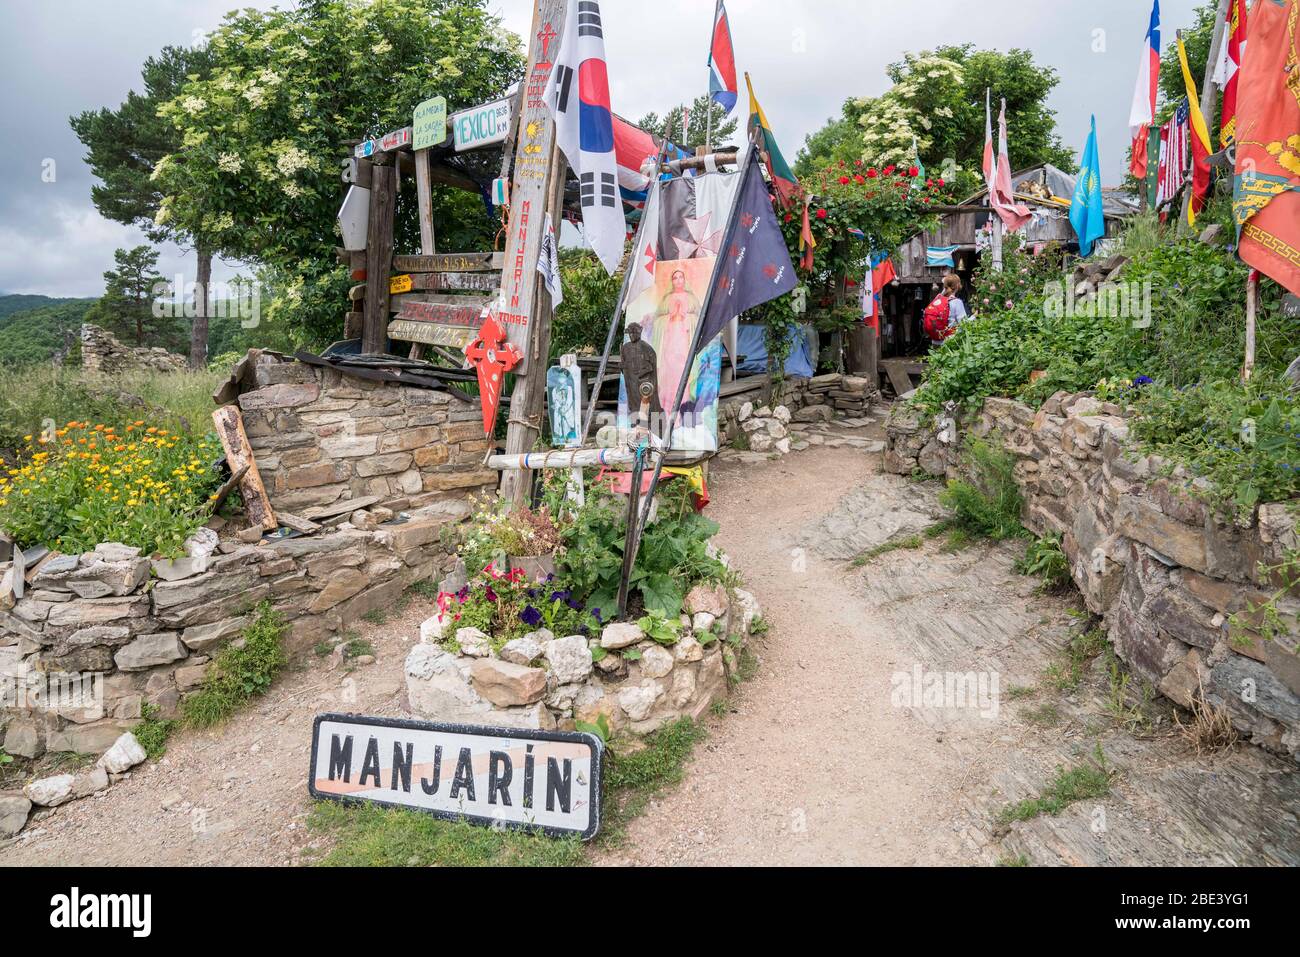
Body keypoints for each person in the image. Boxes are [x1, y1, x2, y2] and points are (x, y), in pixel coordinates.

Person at [922, 274, 967, 345]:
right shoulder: (957, 302)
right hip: (950, 342)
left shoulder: (937, 298)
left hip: (935, 341)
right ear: (958, 286)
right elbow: (964, 324)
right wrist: (974, 316)